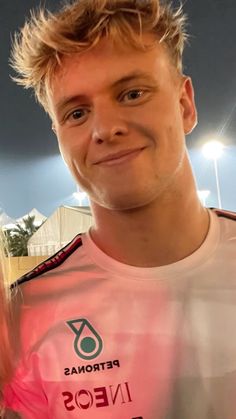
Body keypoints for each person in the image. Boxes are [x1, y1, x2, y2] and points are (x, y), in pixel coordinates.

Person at [4, 0, 236, 418]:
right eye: (77, 112)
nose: (104, 128)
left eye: (131, 93)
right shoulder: (23, 318)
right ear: (59, 133)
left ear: (185, 105)